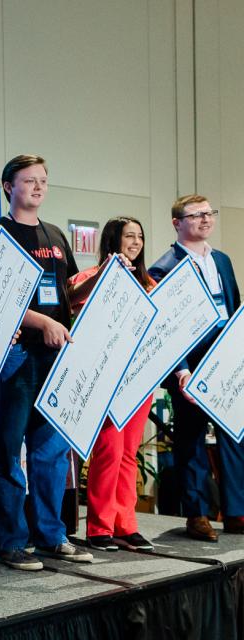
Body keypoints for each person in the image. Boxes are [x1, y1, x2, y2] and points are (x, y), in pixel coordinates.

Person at [0, 154, 94, 571]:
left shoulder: (56, 234)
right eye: (29, 181)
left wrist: (102, 281)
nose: (39, 187)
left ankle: (51, 536)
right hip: (18, 356)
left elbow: (69, 292)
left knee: (51, 453)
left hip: (56, 357)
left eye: (43, 180)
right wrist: (41, 321)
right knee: (7, 453)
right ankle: (9, 541)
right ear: (8, 186)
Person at [147, 194, 243, 541]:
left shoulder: (223, 260)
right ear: (177, 223)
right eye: (196, 215)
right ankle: (197, 514)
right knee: (190, 441)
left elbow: (233, 310)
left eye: (209, 213)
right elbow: (164, 329)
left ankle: (235, 511)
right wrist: (181, 370)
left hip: (225, 362)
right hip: (189, 367)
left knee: (235, 436)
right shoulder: (164, 267)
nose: (205, 220)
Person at [68, 218, 156, 552]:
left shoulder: (149, 282)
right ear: (112, 240)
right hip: (104, 378)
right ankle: (99, 526)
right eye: (129, 236)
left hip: (139, 381)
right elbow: (73, 310)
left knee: (129, 454)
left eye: (140, 236)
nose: (135, 241)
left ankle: (125, 524)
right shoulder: (88, 278)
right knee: (109, 450)